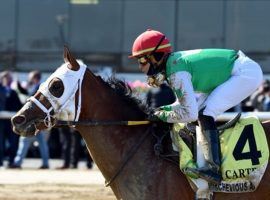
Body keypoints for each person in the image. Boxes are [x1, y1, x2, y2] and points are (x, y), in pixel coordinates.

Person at [129, 29, 263, 184]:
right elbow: (183, 105)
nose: (140, 66)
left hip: (244, 73)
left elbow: (189, 113)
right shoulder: (173, 65)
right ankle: (206, 163)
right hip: (237, 70)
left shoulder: (175, 71)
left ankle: (214, 169)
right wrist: (162, 111)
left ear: (156, 56)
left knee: (204, 114)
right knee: (202, 113)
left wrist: (161, 115)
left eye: (142, 61)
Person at [11, 70, 50, 169]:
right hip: (38, 121)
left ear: (34, 78)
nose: (29, 79)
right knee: (42, 143)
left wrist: (19, 86)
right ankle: (45, 163)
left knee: (24, 141)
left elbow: (27, 97)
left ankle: (17, 162)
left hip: (32, 121)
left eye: (31, 77)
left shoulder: (37, 88)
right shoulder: (40, 87)